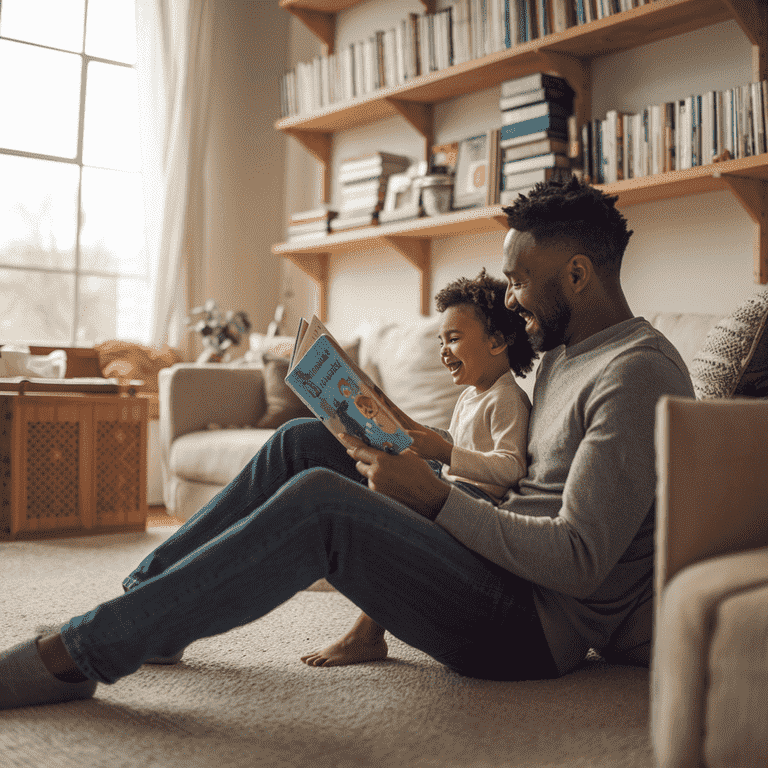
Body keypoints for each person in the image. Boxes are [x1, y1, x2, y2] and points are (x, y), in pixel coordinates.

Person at [0, 175, 695, 711]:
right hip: (496, 570)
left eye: (518, 283)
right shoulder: (568, 353)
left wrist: (433, 499)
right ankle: (151, 603)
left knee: (322, 503)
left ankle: (80, 652)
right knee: (304, 442)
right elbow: (524, 489)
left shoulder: (636, 374)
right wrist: (405, 450)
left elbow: (578, 560)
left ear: (576, 274)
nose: (510, 301)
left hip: (533, 630)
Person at [302, 270, 537, 667]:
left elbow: (510, 467)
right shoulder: (471, 397)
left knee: (391, 501)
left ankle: (366, 631)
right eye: (441, 340)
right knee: (383, 480)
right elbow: (460, 445)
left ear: (497, 341)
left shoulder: (507, 399)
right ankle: (364, 620)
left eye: (455, 339)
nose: (444, 351)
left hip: (474, 508)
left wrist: (445, 452)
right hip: (452, 491)